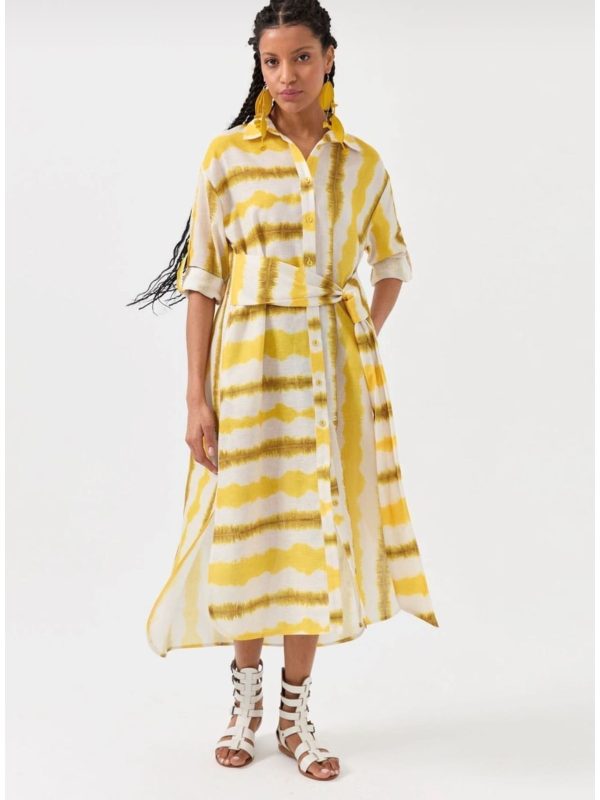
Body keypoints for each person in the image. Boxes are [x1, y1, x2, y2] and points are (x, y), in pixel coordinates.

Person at [128, 0, 439, 782]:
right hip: (246, 369)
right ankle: (244, 708)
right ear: (258, 66)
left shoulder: (361, 164)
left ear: (329, 57)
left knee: (308, 536)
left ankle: (297, 717)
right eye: (272, 61)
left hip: (329, 377)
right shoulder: (228, 157)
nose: (287, 75)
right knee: (248, 529)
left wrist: (356, 334)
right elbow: (203, 279)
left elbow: (392, 263)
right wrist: (196, 398)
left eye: (302, 57)